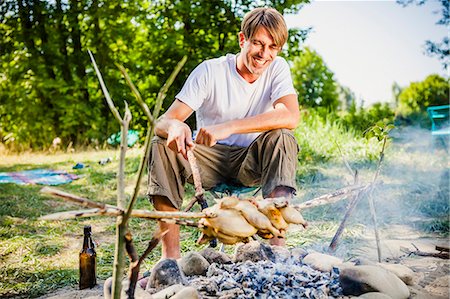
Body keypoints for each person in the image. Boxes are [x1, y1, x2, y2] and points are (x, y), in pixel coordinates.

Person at [147, 7, 300, 259]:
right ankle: (170, 260)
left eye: (273, 47)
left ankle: (278, 254)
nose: (264, 54)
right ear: (243, 40)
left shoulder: (278, 68)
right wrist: (176, 126)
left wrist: (229, 126)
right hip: (208, 159)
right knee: (160, 144)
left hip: (251, 162)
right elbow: (162, 121)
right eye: (258, 44)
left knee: (283, 137)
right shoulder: (210, 71)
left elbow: (290, 116)